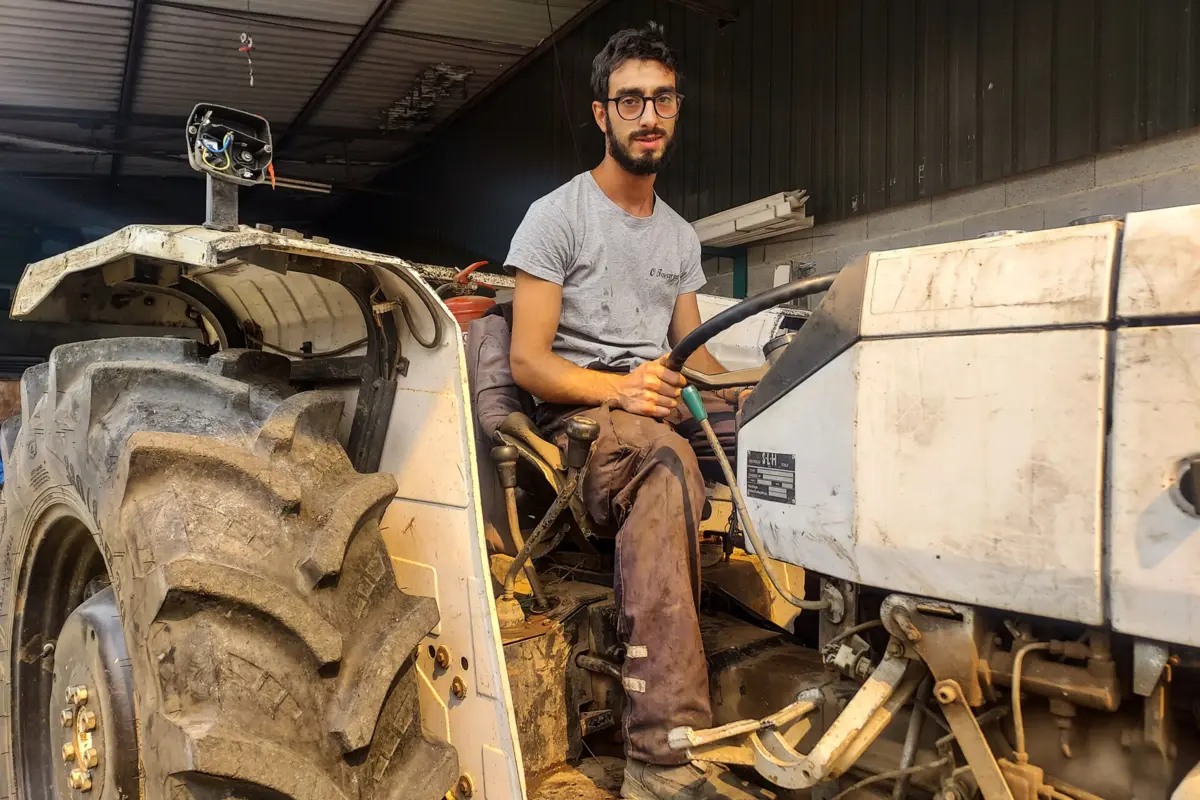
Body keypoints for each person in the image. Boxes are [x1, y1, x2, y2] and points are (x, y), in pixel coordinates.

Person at [505, 22, 757, 800]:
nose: (648, 116)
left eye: (662, 99)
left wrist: (767, 389)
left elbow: (696, 356)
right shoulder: (557, 218)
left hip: (656, 397)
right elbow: (528, 363)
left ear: (676, 110)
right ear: (602, 114)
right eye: (630, 101)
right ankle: (659, 753)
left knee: (785, 434)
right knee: (667, 461)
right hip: (585, 415)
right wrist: (616, 389)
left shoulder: (679, 235)